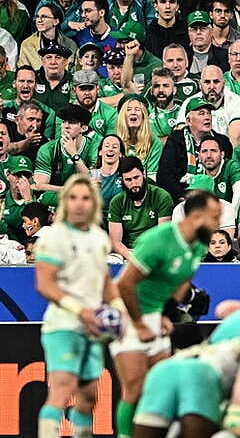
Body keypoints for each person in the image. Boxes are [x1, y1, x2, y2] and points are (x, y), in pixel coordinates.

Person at [111, 190, 221, 438]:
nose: (217, 225)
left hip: (155, 313)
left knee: (158, 385)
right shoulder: (158, 240)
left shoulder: (199, 244)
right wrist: (139, 324)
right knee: (135, 387)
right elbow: (124, 286)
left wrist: (165, 314)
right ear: (196, 216)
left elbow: (183, 280)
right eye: (214, 218)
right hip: (128, 314)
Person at [34, 174, 123, 438]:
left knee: (88, 397)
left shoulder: (99, 238)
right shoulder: (53, 237)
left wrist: (119, 308)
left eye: (85, 198)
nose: (79, 204)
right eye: (73, 198)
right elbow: (45, 285)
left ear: (94, 202)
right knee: (62, 388)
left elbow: (105, 282)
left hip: (92, 329)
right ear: (65, 202)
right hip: (63, 325)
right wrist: (80, 311)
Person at [157, 98, 234, 202]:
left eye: (209, 113)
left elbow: (229, 172)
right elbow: (165, 175)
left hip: (217, 195)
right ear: (188, 121)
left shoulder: (222, 141)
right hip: (183, 196)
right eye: (201, 113)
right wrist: (182, 197)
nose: (207, 117)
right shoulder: (176, 140)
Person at [108, 157, 174, 261]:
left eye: (136, 177)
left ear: (144, 175)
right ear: (122, 181)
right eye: (128, 180)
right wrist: (133, 257)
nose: (134, 184)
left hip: (154, 251)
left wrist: (144, 256)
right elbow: (116, 242)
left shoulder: (162, 197)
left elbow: (163, 237)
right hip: (127, 252)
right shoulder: (117, 202)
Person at [32, 104, 95, 193]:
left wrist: (74, 155)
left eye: (72, 122)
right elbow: (39, 185)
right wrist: (68, 190)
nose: (66, 126)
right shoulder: (48, 149)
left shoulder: (93, 147)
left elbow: (93, 183)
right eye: (64, 122)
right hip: (57, 196)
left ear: (83, 128)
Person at [116, 95, 163, 180]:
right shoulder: (114, 141)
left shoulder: (154, 142)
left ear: (144, 116)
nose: (133, 112)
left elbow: (152, 178)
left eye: (138, 109)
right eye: (129, 109)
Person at [90, 134, 124, 226]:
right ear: (100, 152)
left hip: (121, 222)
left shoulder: (126, 176)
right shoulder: (91, 176)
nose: (110, 149)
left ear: (120, 154)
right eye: (106, 146)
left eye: (115, 147)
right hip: (97, 222)